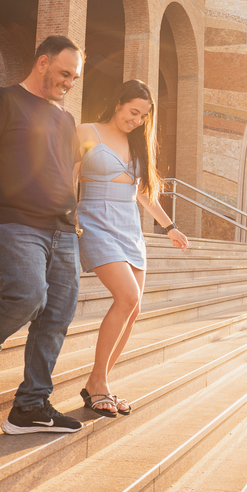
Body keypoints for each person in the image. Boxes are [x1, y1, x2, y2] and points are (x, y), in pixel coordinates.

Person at [0, 35, 86, 435]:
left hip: (62, 228)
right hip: (11, 220)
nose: (68, 83)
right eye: (64, 74)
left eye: (74, 78)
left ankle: (31, 405)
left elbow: (69, 172)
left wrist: (74, 219)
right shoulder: (1, 100)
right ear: (42, 63)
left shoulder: (65, 119)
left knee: (57, 315)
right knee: (28, 294)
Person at [76, 79, 189, 417]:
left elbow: (143, 192)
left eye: (143, 116)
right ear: (119, 104)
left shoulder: (137, 143)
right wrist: (67, 216)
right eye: (133, 112)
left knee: (134, 308)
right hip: (95, 220)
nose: (137, 120)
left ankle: (99, 382)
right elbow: (69, 175)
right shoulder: (86, 132)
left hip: (129, 227)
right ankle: (99, 382)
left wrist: (169, 227)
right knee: (127, 297)